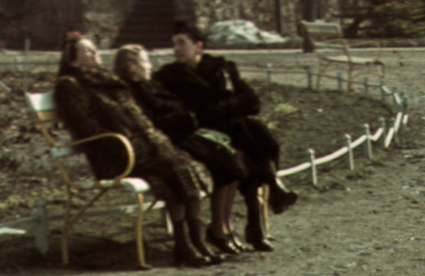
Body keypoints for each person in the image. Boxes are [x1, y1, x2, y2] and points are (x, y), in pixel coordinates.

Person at [55, 32, 219, 266]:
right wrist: (129, 146)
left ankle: (196, 240)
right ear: (72, 59)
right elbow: (88, 129)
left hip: (143, 148)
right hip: (116, 156)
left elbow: (139, 118)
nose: (95, 53)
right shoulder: (70, 85)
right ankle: (183, 244)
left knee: (186, 164)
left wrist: (149, 141)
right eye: (87, 50)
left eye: (94, 48)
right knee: (172, 168)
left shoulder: (106, 80)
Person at [115, 44, 265, 254]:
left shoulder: (150, 86)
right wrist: (187, 119)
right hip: (168, 141)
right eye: (145, 61)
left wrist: (189, 118)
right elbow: (152, 122)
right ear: (132, 66)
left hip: (181, 134)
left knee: (233, 157)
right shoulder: (132, 91)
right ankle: (208, 234)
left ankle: (223, 227)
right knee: (221, 162)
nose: (149, 66)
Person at [153, 21, 300, 223]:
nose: (176, 49)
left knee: (253, 132)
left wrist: (218, 109)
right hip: (198, 133)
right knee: (248, 134)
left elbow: (251, 101)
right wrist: (218, 110)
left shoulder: (220, 68)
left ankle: (256, 215)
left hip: (227, 128)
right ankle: (266, 198)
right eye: (174, 44)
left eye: (181, 43)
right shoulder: (168, 76)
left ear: (198, 45)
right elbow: (180, 112)